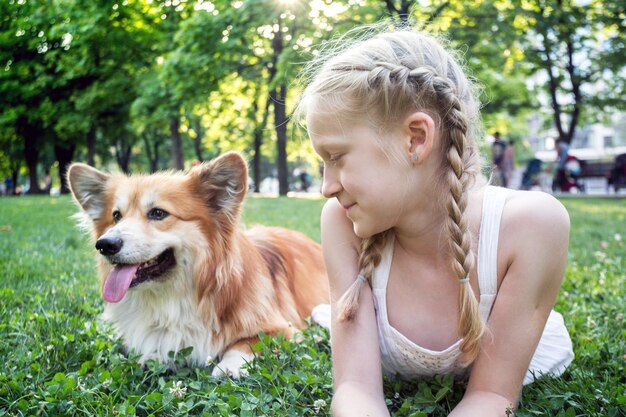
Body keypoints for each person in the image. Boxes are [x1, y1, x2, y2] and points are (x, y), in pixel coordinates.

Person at [298, 24, 573, 416]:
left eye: (337, 157)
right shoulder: (341, 223)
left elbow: (492, 397)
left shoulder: (530, 227)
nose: (326, 187)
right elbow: (355, 387)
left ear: (415, 139)